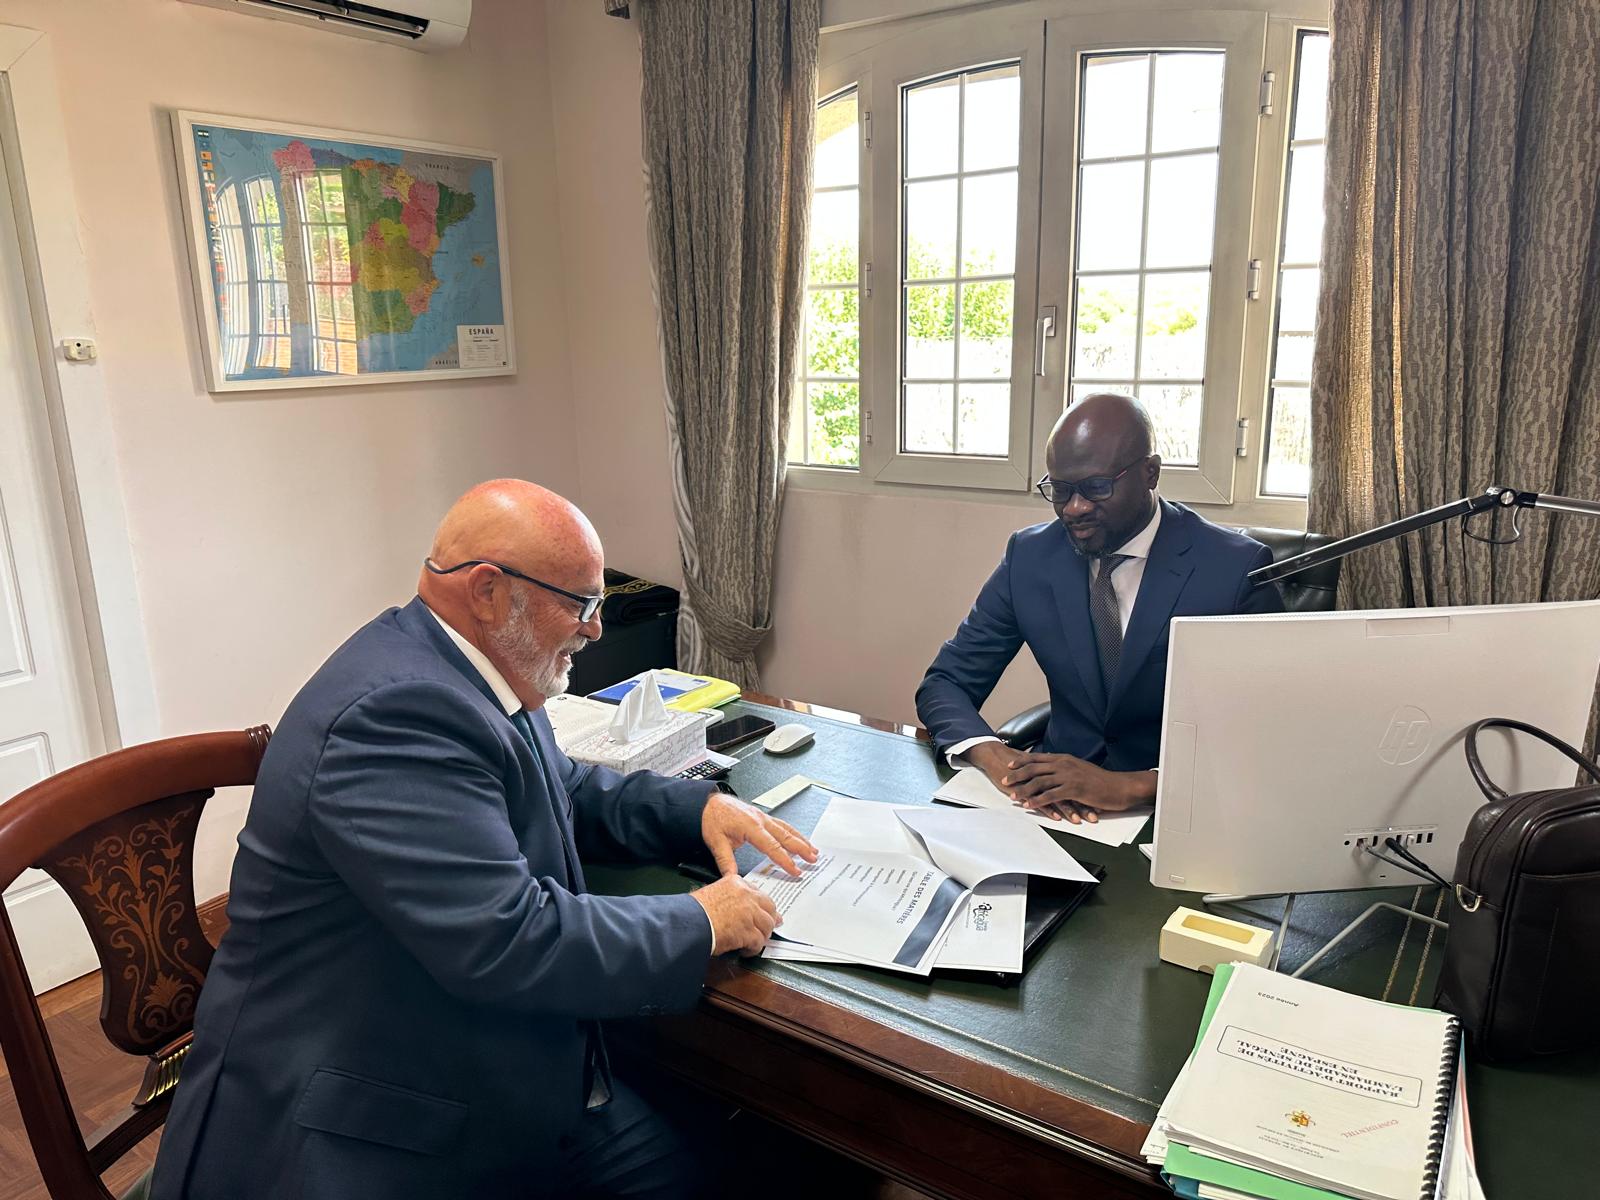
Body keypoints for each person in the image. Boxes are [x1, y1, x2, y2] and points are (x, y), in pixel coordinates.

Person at [151, 480, 817, 1200]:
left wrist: (696, 810)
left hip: (506, 1069)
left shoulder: (474, 668)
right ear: (490, 591)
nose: (596, 628)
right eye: (582, 603)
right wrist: (700, 920)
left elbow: (562, 787)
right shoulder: (397, 714)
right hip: (375, 1125)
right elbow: (510, 939)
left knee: (734, 1160)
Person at [916, 394, 1284, 824]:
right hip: (1049, 808)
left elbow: (1269, 734)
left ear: (1150, 473)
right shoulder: (1031, 556)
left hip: (1177, 814)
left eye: (1096, 488)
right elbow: (945, 683)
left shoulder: (1234, 570)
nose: (1074, 508)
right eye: (1060, 490)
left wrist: (1133, 786)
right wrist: (998, 759)